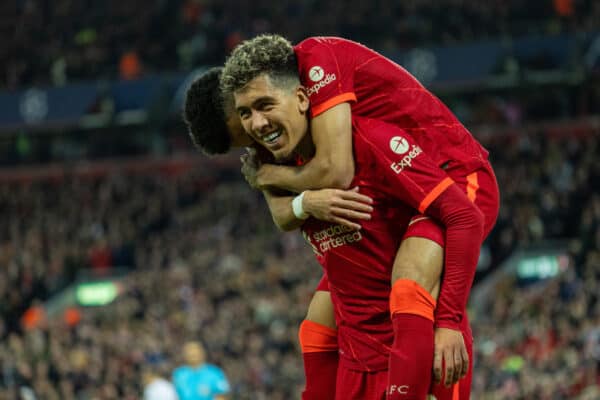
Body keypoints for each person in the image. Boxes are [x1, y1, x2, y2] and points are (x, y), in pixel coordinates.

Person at [221, 35, 500, 399]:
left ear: (303, 98)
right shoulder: (292, 146)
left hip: (457, 176)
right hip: (405, 199)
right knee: (320, 317)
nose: (256, 125)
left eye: (264, 106)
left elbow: (336, 171)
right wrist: (294, 197)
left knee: (409, 283)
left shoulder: (329, 78)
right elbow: (283, 213)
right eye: (246, 114)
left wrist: (448, 322)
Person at [184, 67, 374, 399]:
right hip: (357, 248)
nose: (253, 143)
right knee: (315, 333)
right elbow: (283, 216)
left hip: (413, 207)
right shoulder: (262, 147)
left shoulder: (311, 89)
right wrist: (305, 202)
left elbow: (336, 171)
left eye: (241, 134)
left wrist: (277, 178)